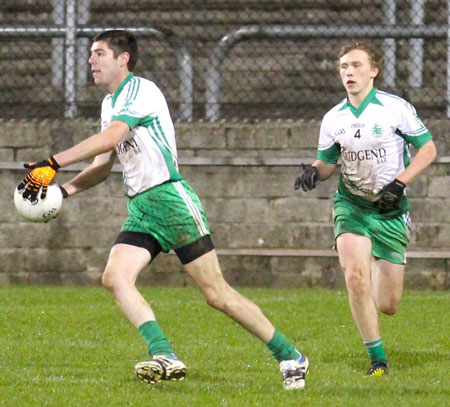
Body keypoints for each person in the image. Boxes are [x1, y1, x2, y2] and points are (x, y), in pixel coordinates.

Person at [17, 30, 309, 390]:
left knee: (217, 295)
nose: (91, 61)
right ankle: (165, 355)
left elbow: (111, 138)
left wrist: (52, 161)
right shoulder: (110, 105)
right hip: (142, 207)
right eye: (91, 54)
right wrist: (62, 192)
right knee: (115, 277)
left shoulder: (141, 90)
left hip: (171, 201)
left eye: (99, 53)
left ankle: (290, 355)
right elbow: (104, 164)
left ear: (123, 59)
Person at [294, 40, 437, 376]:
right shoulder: (334, 118)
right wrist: (316, 171)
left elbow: (428, 150)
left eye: (356, 65)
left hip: (390, 210)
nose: (349, 72)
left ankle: (373, 262)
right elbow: (329, 161)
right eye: (344, 67)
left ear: (374, 70)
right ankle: (378, 361)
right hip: (352, 205)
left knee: (388, 304)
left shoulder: (394, 108)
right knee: (354, 277)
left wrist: (400, 183)